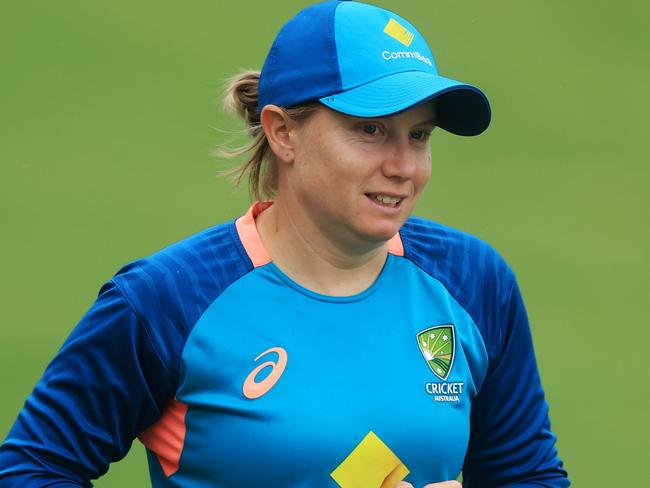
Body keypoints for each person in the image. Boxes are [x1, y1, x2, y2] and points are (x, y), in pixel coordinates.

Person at [0, 1, 569, 487]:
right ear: (282, 132)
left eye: (418, 135)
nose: (403, 167)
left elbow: (530, 475)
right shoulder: (165, 301)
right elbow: (30, 469)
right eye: (370, 130)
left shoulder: (474, 282)